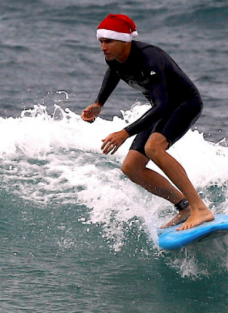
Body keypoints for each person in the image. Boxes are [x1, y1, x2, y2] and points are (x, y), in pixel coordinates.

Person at [82, 14, 214, 231]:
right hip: (161, 108)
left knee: (154, 147)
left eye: (108, 41)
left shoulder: (149, 58)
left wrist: (125, 133)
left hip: (184, 104)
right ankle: (184, 207)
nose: (103, 47)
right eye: (101, 42)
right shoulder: (114, 57)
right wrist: (99, 103)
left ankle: (200, 209)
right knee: (132, 167)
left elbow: (162, 106)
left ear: (124, 40)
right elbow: (113, 72)